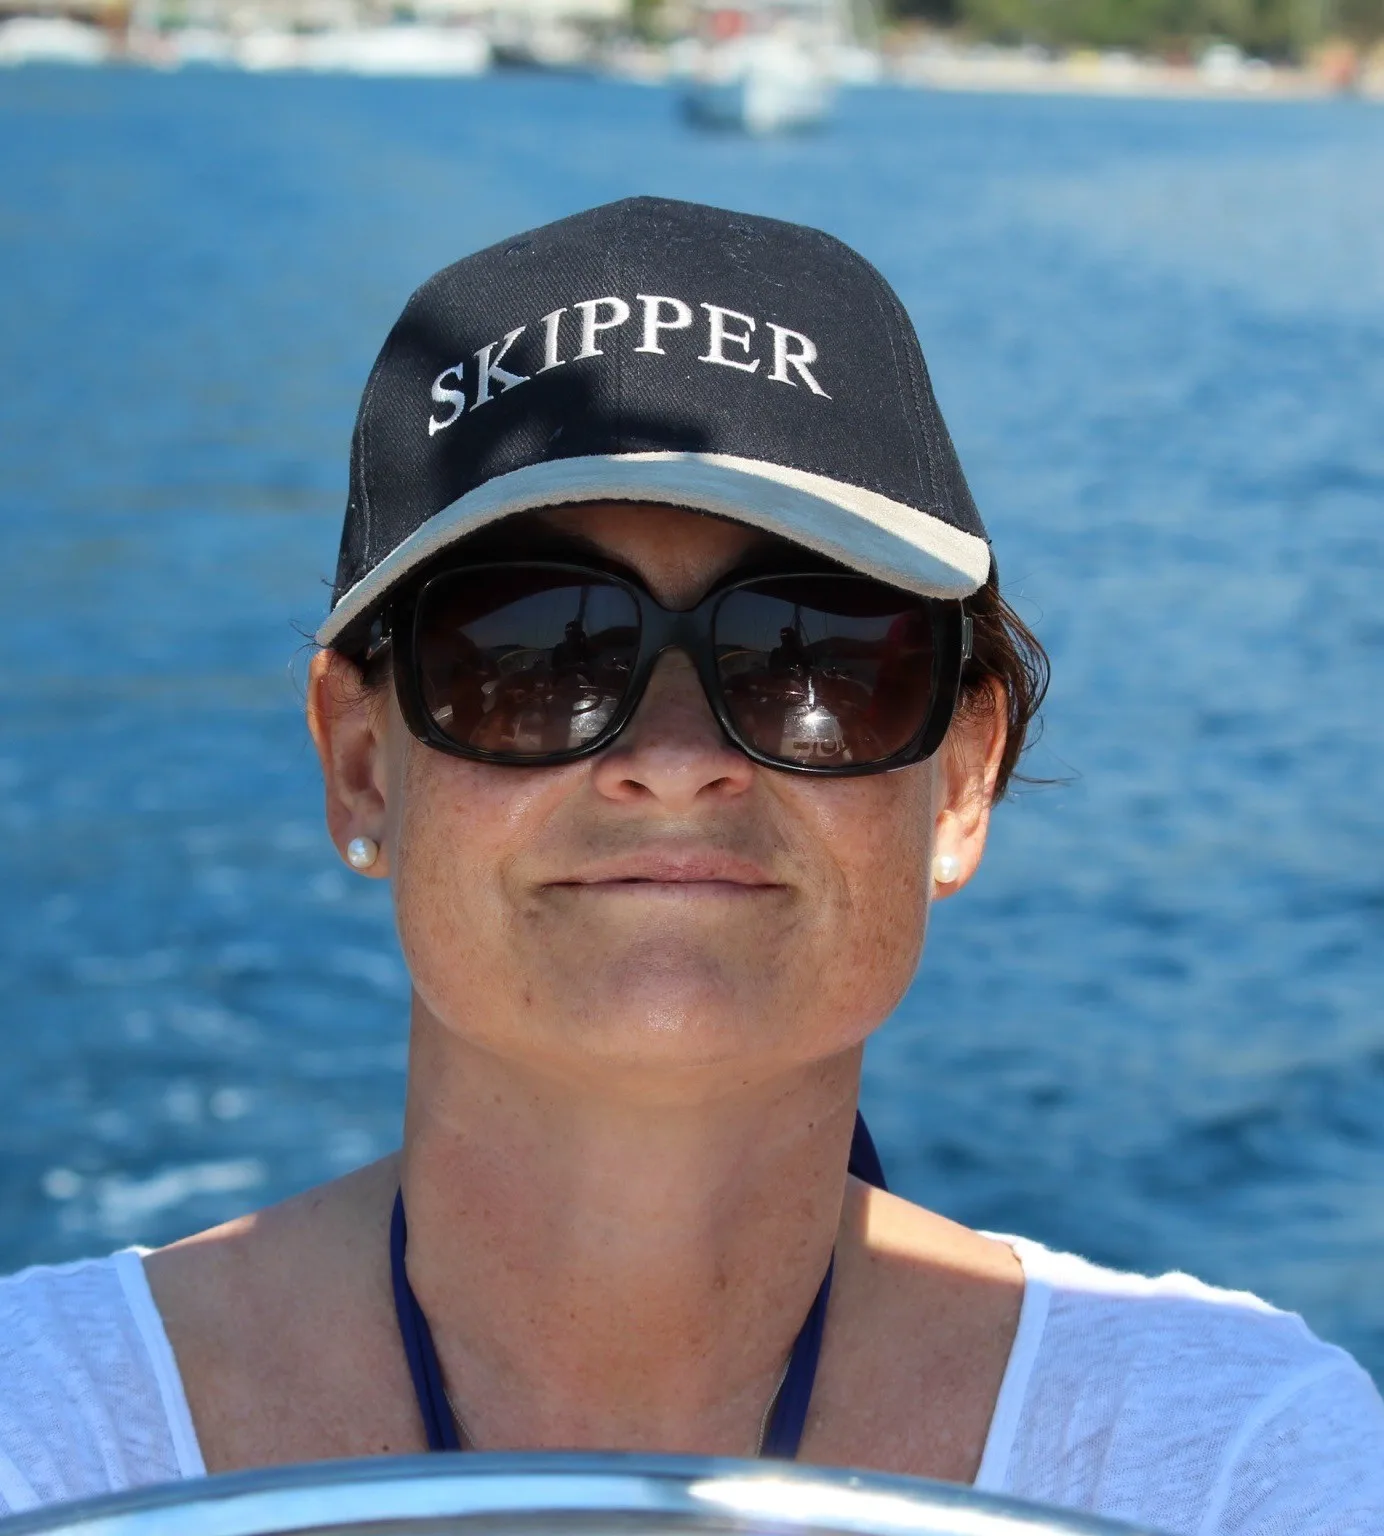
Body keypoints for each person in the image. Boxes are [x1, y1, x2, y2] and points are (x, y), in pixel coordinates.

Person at [2, 197, 1381, 1534]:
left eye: (819, 660)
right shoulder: (39, 1438)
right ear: (361, 762)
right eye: (531, 652)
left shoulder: (1239, 1465)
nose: (672, 759)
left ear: (959, 785)